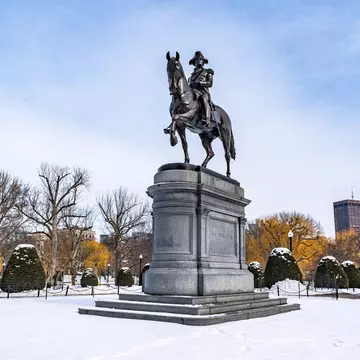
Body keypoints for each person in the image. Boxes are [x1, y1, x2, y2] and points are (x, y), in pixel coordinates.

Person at [188, 51, 214, 127]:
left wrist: (200, 83)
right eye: (196, 60)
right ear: (194, 63)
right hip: (193, 92)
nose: (198, 61)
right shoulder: (191, 76)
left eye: (200, 59)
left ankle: (207, 119)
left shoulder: (207, 71)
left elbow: (210, 83)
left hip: (203, 92)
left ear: (203, 62)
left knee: (203, 99)